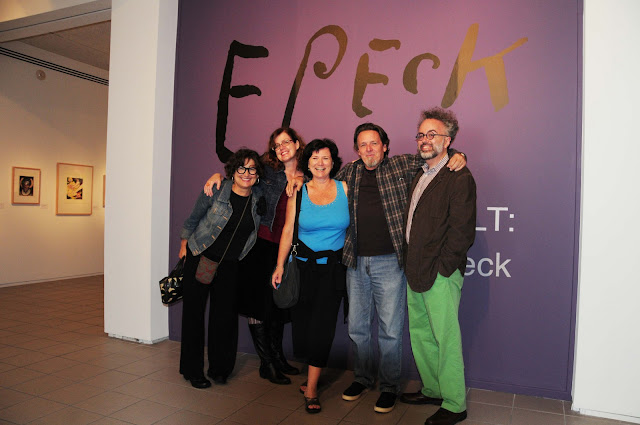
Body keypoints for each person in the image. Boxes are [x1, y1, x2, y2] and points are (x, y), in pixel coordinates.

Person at [292, 124, 466, 413]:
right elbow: (320, 178)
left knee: (390, 330)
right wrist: (299, 179)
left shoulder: (401, 165)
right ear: (356, 149)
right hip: (354, 262)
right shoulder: (348, 173)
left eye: (374, 143)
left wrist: (458, 154)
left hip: (390, 263)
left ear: (385, 146)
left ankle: (388, 387)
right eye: (363, 144)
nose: (369, 149)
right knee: (358, 328)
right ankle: (362, 378)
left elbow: (435, 154)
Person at [203, 128, 305, 385]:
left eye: (286, 142)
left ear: (297, 144)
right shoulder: (267, 171)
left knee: (278, 304)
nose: (281, 147)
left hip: (287, 247)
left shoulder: (309, 173)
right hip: (260, 245)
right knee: (257, 304)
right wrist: (219, 176)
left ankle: (278, 358)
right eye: (276, 145)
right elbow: (241, 173)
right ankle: (266, 362)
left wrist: (303, 178)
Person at [400, 107, 476, 425]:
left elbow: (462, 232)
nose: (425, 139)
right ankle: (433, 389)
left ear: (448, 140)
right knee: (421, 334)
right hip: (414, 268)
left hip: (440, 273)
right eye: (421, 134)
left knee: (445, 338)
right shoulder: (420, 173)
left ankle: (455, 404)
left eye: (432, 134)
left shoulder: (459, 177)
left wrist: (445, 268)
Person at [272, 138, 349, 414]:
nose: (320, 163)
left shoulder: (345, 189)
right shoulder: (299, 192)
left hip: (332, 270)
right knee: (304, 326)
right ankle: (312, 375)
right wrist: (280, 265)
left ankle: (312, 388)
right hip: (302, 268)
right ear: (308, 163)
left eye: (325, 158)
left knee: (323, 326)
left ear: (333, 162)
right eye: (315, 158)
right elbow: (287, 230)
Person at [178, 149, 264, 388]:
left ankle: (220, 369)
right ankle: (192, 370)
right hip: (202, 257)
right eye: (242, 168)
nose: (246, 173)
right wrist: (184, 245)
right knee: (194, 315)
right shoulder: (217, 190)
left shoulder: (259, 198)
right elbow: (193, 219)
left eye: (252, 169)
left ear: (257, 174)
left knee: (224, 318)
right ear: (233, 171)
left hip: (230, 265)